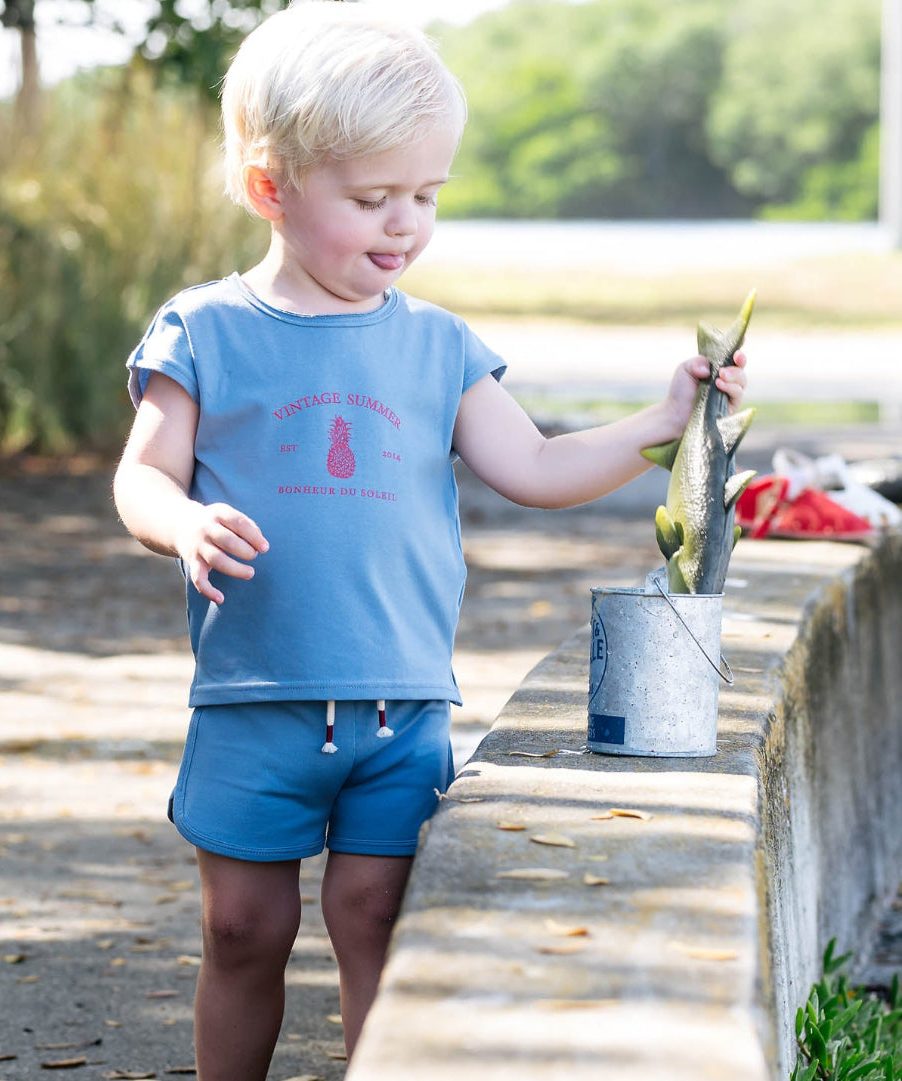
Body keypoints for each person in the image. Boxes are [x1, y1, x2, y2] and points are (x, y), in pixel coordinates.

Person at [112, 3, 748, 1078]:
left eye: (426, 195)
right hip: (251, 700)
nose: (405, 224)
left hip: (399, 705)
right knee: (242, 929)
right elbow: (142, 474)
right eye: (371, 199)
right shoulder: (204, 329)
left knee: (373, 919)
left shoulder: (442, 345)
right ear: (272, 189)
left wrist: (661, 420)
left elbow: (538, 469)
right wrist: (179, 521)